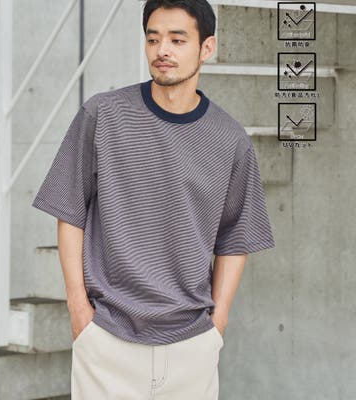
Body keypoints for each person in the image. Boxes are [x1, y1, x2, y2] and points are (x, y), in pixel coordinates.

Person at [32, 0, 275, 398]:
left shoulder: (231, 140)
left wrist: (218, 322)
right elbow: (69, 211)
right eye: (153, 39)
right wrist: (78, 307)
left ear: (207, 47)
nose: (162, 50)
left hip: (192, 343)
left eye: (177, 40)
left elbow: (235, 237)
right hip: (106, 337)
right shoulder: (102, 115)